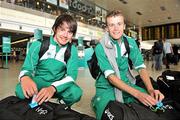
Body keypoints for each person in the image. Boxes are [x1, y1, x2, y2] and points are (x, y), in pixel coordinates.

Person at [91, 10, 164, 120]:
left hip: (126, 83)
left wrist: (150, 89)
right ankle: (96, 101)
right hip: (106, 87)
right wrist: (137, 94)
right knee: (109, 114)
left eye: (119, 24)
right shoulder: (100, 48)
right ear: (107, 28)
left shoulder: (130, 42)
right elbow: (111, 78)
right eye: (111, 25)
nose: (116, 29)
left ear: (124, 26)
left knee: (152, 103)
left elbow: (140, 67)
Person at [15, 14, 82, 106]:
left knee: (76, 93)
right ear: (54, 29)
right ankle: (33, 106)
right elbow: (27, 68)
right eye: (62, 30)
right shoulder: (38, 45)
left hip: (58, 85)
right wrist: (25, 78)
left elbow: (71, 76)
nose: (65, 35)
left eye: (70, 32)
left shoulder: (72, 50)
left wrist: (53, 88)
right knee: (20, 91)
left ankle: (59, 107)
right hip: (39, 82)